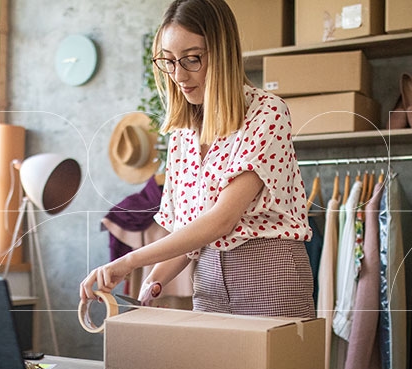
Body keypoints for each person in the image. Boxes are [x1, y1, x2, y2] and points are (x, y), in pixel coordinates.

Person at [79, 0, 314, 318]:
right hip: (208, 285)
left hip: (270, 279)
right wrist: (153, 282)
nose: (178, 75)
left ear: (222, 53)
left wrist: (130, 261)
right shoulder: (181, 134)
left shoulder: (267, 112)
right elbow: (189, 235)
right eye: (169, 61)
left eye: (191, 59)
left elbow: (221, 220)